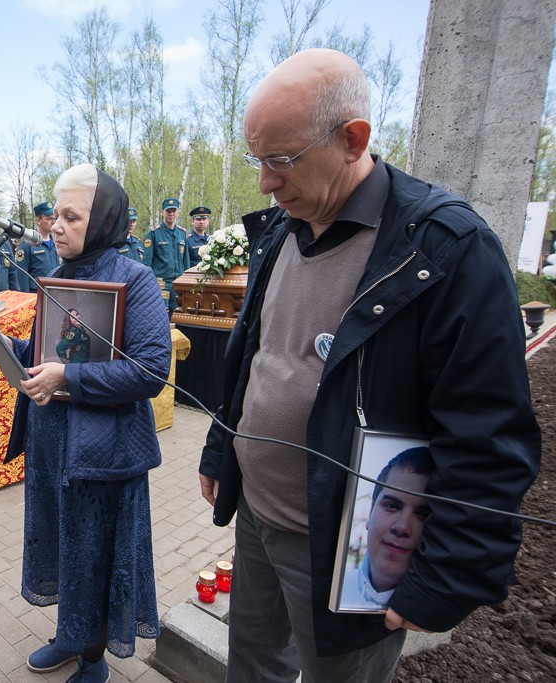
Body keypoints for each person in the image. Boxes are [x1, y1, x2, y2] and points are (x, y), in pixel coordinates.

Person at [197, 48, 539, 682]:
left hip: (346, 549)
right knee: (252, 667)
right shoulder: (280, 232)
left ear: (353, 139)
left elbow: (487, 433)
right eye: (257, 160)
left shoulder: (446, 250)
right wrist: (222, 449)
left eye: (281, 159)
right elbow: (255, 361)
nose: (266, 183)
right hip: (259, 520)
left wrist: (444, 574)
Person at [0, 163, 171, 682]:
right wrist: (8, 348)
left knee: (96, 555)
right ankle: (70, 634)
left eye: (70, 216)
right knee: (63, 545)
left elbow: (151, 371)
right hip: (52, 442)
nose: (54, 226)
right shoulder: (58, 278)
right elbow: (55, 353)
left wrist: (69, 378)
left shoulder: (136, 280)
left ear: (104, 219)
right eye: (54, 215)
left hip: (104, 453)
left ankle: (93, 657)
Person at [341, 447, 433, 611]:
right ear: (370, 514)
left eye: (423, 514)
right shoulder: (337, 589)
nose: (402, 527)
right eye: (391, 506)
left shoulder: (435, 606)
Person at [143, 197, 188, 312]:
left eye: (174, 211)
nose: (171, 214)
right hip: (162, 284)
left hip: (179, 284)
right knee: (161, 317)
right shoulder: (154, 233)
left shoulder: (182, 233)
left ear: (178, 212)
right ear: (162, 212)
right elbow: (147, 262)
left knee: (179, 318)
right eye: (168, 211)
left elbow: (186, 261)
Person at [15, 200, 61, 292]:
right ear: (38, 220)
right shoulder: (27, 245)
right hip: (36, 296)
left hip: (54, 295)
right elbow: (21, 276)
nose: (53, 222)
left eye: (54, 219)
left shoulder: (56, 243)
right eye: (48, 219)